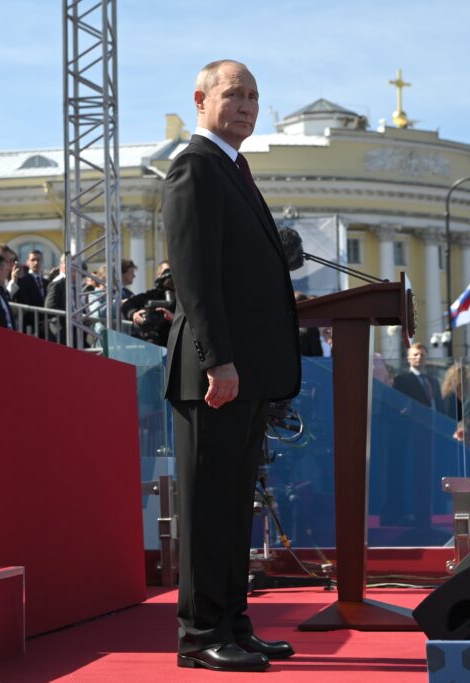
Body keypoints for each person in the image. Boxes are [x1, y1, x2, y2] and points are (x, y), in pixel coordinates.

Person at [163, 59, 300, 672]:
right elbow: (194, 277)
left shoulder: (234, 169)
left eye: (253, 97)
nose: (245, 105)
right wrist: (218, 359)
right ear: (201, 98)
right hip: (213, 371)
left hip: (245, 372)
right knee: (206, 508)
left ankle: (233, 624)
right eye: (233, 94)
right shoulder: (195, 166)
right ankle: (199, 635)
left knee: (234, 503)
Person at [393, 343, 442, 411]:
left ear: (426, 358)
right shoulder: (402, 379)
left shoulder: (434, 381)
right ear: (408, 359)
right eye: (415, 355)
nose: (419, 357)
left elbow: (439, 405)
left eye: (422, 355)